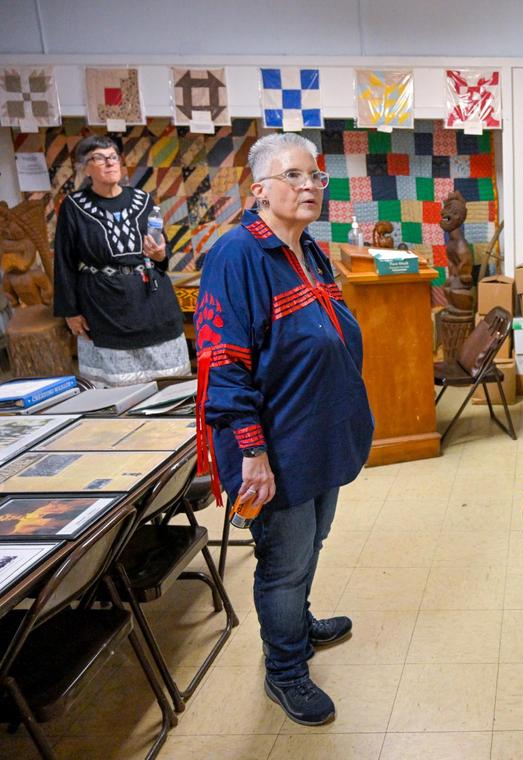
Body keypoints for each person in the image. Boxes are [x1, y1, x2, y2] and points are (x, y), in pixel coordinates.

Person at [194, 133, 373, 726]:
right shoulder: (237, 256)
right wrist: (251, 454)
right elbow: (223, 363)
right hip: (273, 449)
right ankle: (286, 668)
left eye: (315, 177)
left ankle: (298, 620)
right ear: (259, 189)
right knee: (283, 561)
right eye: (293, 176)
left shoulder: (306, 248)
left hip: (317, 437)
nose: (308, 186)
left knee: (310, 544)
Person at [52, 135, 189, 385]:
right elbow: (64, 261)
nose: (109, 162)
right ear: (85, 167)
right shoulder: (74, 206)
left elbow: (161, 250)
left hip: (151, 301)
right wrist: (70, 312)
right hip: (104, 306)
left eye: (113, 157)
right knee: (117, 390)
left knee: (169, 384)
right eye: (99, 158)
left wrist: (160, 254)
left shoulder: (142, 200)